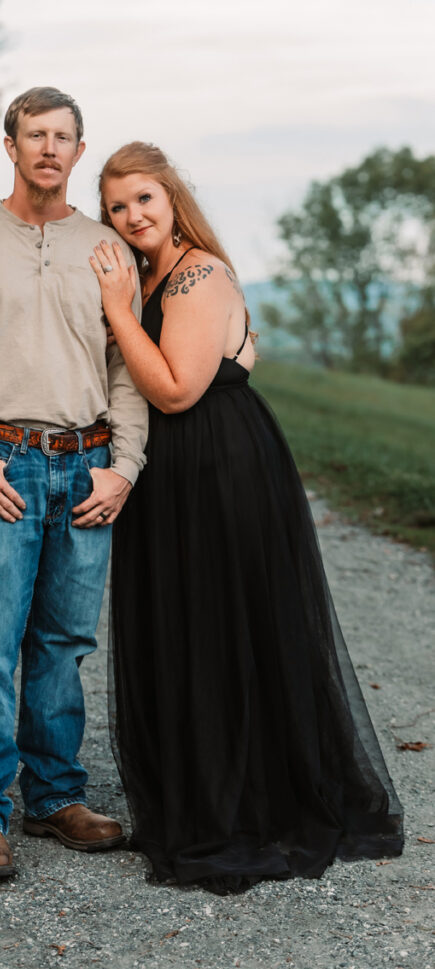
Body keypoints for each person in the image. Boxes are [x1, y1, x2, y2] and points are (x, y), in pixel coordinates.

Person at [89, 142, 404, 894]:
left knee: (226, 626)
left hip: (220, 466)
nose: (131, 216)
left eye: (142, 200)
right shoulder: (148, 271)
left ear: (171, 198)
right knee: (179, 627)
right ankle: (192, 796)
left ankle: (245, 806)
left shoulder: (198, 272)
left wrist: (114, 311)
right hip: (167, 473)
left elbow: (172, 391)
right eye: (116, 208)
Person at [0, 90, 148, 882]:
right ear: (9, 144)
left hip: (85, 465)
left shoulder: (106, 249)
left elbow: (126, 367)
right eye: (34, 135)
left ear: (79, 152)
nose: (48, 148)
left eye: (63, 137)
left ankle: (53, 797)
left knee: (63, 644)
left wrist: (123, 466)